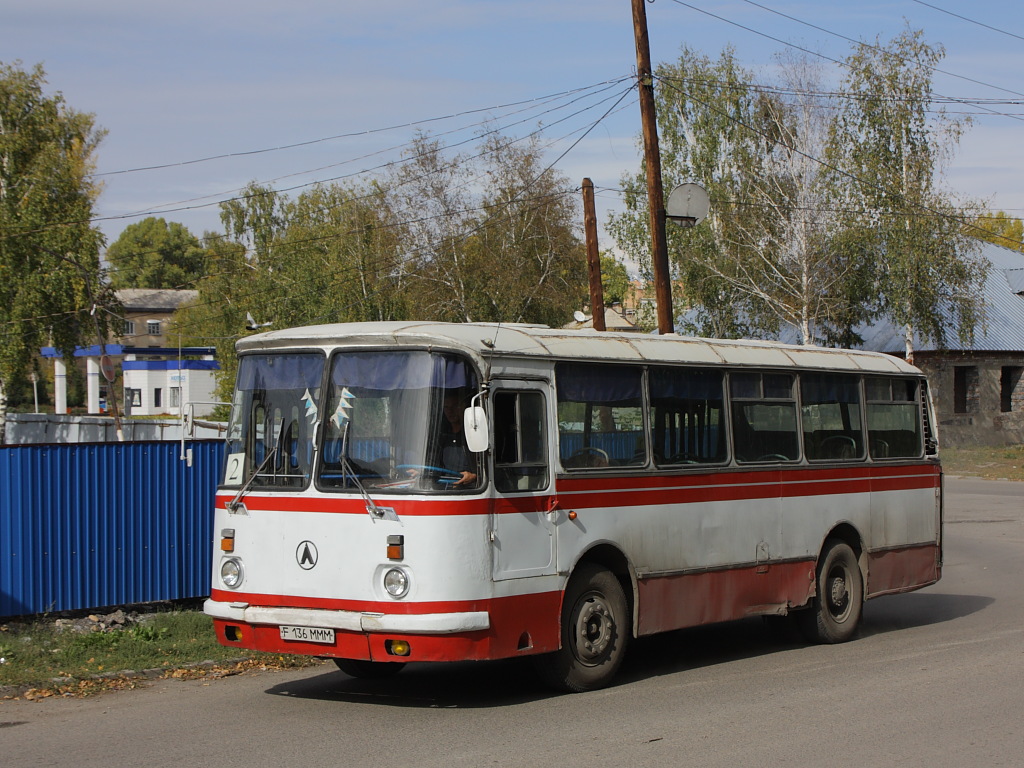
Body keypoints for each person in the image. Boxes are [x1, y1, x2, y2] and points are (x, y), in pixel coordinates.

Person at [437, 391, 478, 488]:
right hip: (444, 488)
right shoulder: (442, 437)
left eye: (455, 406)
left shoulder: (475, 435)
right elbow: (434, 463)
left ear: (464, 408)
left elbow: (490, 470)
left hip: (470, 490)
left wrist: (475, 476)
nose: (450, 411)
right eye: (446, 407)